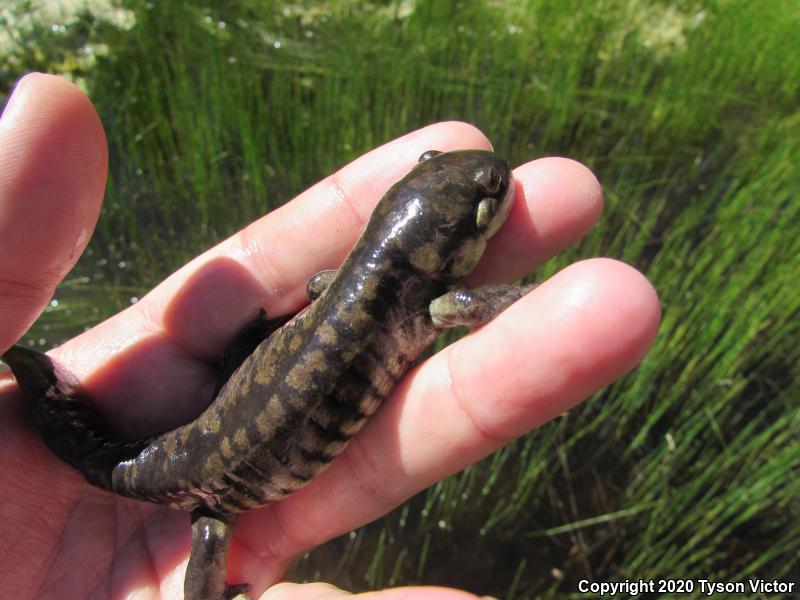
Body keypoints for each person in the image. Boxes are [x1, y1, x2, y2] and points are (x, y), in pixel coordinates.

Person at [0, 73, 660, 599]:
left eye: (487, 185)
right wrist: (519, 299)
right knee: (207, 516)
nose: (497, 175)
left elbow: (329, 289)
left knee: (201, 493)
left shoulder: (347, 279)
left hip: (201, 442)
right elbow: (458, 306)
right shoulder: (429, 302)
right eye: (494, 189)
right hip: (212, 478)